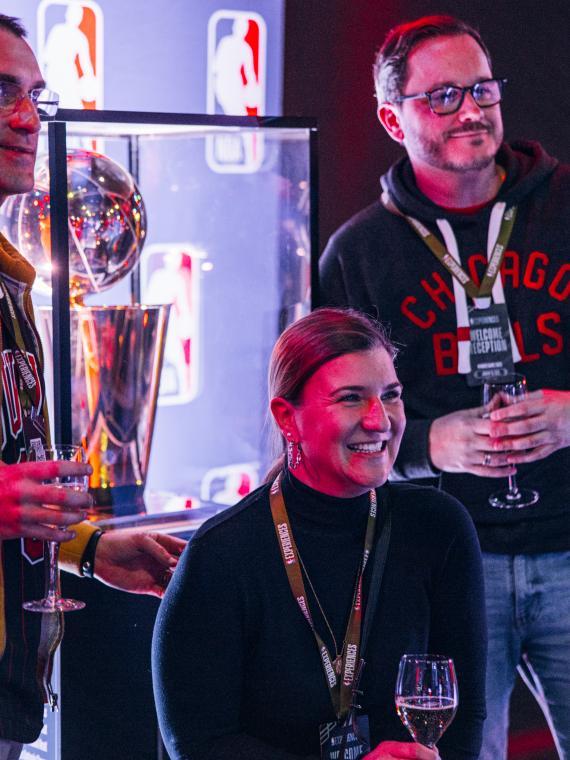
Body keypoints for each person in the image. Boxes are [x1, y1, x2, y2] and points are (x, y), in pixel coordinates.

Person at [319, 15, 570, 760]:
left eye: (484, 89)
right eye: (446, 96)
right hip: (445, 564)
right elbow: (329, 424)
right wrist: (427, 442)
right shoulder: (360, 253)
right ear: (392, 118)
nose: (473, 110)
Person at [153, 307, 486, 760]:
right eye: (351, 398)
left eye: (391, 395)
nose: (380, 420)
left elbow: (465, 720)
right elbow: (198, 746)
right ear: (287, 418)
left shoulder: (438, 528)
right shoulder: (222, 555)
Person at [0, 14, 185, 757]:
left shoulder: (14, 283)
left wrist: (90, 545)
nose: (24, 118)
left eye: (33, 97)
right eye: (1, 91)